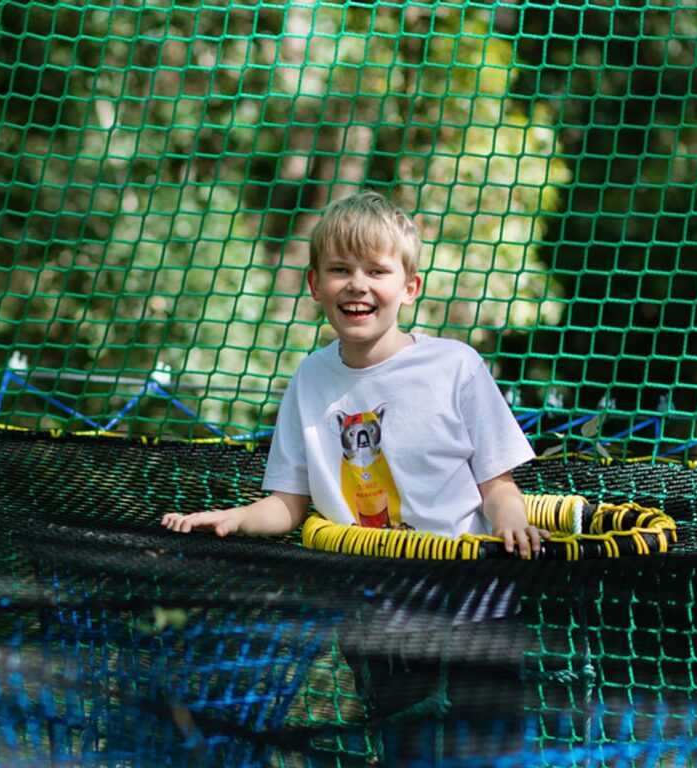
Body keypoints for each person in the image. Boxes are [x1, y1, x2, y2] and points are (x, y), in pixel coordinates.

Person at [162, 190, 546, 556]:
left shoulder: (456, 367)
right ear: (315, 284)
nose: (357, 285)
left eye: (377, 271)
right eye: (340, 269)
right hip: (362, 594)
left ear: (410, 287)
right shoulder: (308, 379)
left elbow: (498, 488)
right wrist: (236, 518)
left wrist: (510, 525)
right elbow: (288, 505)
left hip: (462, 590)